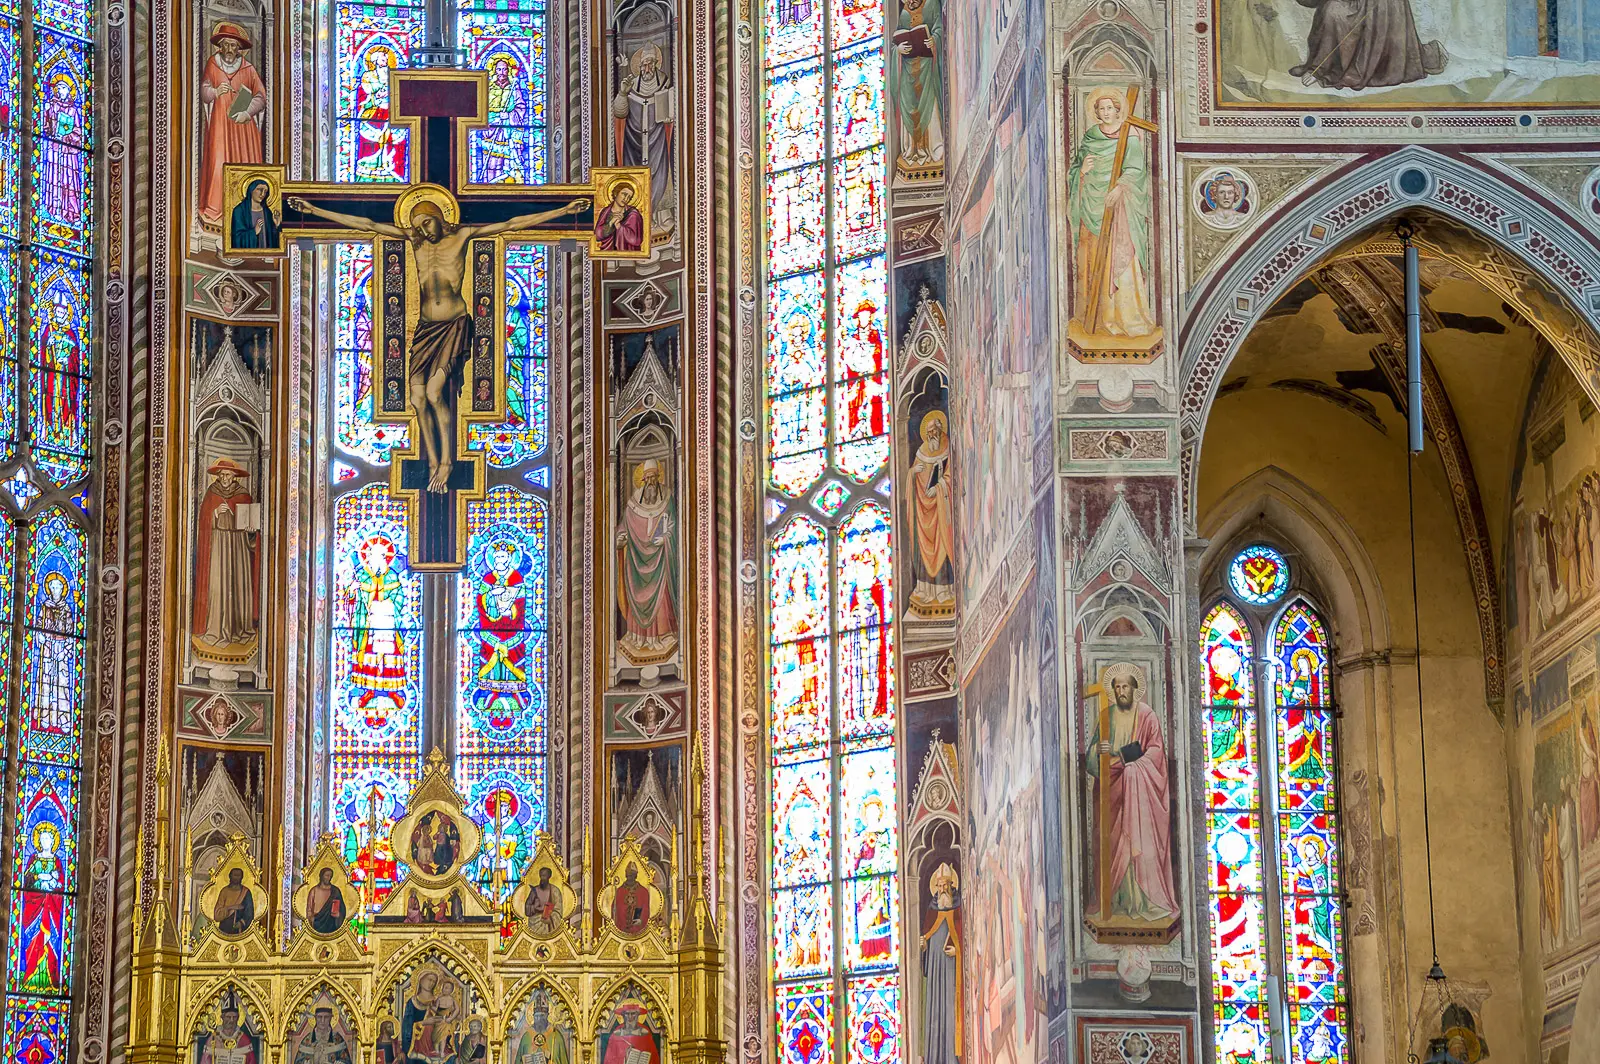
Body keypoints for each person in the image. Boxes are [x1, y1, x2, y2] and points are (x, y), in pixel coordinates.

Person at [286, 194, 588, 492]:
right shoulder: (414, 241)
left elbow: (511, 223)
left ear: (440, 218)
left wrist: (565, 209)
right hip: (426, 328)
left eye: (427, 223)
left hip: (454, 325)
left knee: (433, 393)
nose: (423, 231)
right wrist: (312, 209)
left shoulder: (463, 236)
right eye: (417, 226)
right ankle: (432, 461)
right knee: (417, 398)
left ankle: (445, 462)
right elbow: (365, 225)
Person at [1084, 663, 1178, 921]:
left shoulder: (1147, 715)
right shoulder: (1106, 716)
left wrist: (1128, 763)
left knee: (1138, 843)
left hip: (1140, 796)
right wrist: (1099, 753)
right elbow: (1092, 758)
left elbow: (1156, 751)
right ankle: (1118, 901)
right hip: (1112, 795)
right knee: (1114, 843)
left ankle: (1146, 900)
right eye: (1116, 687)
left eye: (1125, 686)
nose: (1120, 690)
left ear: (1135, 689)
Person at [1066, 91, 1156, 341]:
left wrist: (1119, 188)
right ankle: (1094, 318)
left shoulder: (1131, 135)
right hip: (1090, 206)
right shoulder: (1090, 137)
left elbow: (1135, 169)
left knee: (1120, 256)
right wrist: (1081, 172)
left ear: (1118, 110)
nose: (1105, 113)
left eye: (1109, 108)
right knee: (1093, 258)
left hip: (1119, 208)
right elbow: (1075, 169)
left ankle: (1122, 316)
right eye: (1100, 109)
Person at [1290, 0, 1445, 91]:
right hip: (1356, 4)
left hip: (1379, 10)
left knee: (1333, 12)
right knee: (1331, 10)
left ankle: (1321, 69)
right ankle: (1319, 66)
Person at [198, 23, 267, 225]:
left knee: (243, 163)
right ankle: (216, 208)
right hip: (220, 125)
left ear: (239, 49)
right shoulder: (213, 64)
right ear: (220, 46)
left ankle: (243, 207)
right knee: (219, 161)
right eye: (226, 45)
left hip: (243, 129)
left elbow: (261, 97)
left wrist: (247, 111)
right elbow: (203, 90)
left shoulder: (248, 68)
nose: (229, 50)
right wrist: (214, 91)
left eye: (233, 46)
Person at [193, 457, 260, 648]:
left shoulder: (243, 495)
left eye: (228, 475)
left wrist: (249, 530)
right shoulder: (211, 493)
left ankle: (239, 629)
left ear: (234, 477)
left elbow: (253, 525)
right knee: (217, 584)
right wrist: (214, 513)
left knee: (238, 584)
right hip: (218, 543)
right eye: (222, 475)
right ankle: (215, 628)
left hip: (238, 545)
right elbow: (203, 520)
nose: (224, 478)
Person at [616, 459, 678, 658]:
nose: (651, 482)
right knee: (636, 595)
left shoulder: (667, 499)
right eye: (648, 478)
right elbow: (624, 526)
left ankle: (663, 636)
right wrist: (620, 538)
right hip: (636, 561)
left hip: (660, 561)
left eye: (654, 477)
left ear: (659, 477)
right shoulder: (633, 504)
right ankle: (638, 637)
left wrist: (666, 538)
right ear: (642, 479)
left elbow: (673, 526)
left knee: (662, 599)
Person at [611, 45, 674, 227]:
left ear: (656, 63)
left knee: (661, 173)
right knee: (636, 176)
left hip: (658, 139)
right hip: (634, 141)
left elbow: (671, 110)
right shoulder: (631, 84)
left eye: (650, 63)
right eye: (644, 64)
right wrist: (623, 93)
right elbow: (619, 112)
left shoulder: (664, 82)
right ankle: (640, 216)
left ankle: (660, 214)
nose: (647, 68)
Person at [907, 409, 954, 613]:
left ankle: (944, 590)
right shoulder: (922, 452)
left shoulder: (948, 448)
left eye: (934, 431)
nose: (931, 435)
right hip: (922, 510)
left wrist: (941, 485)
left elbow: (952, 476)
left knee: (943, 543)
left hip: (941, 508)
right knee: (922, 547)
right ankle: (926, 590)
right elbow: (913, 478)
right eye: (928, 432)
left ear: (940, 429)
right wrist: (912, 474)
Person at [891, 0, 944, 170]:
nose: (909, 2)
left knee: (931, 104)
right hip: (908, 69)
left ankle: (934, 147)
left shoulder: (932, 4)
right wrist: (897, 50)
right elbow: (895, 41)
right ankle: (912, 150)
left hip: (927, 67)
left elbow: (940, 28)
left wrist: (934, 41)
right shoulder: (904, 12)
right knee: (909, 106)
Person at [920, 863, 961, 1064]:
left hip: (952, 974)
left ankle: (952, 1057)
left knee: (950, 1012)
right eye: (940, 885)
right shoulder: (931, 913)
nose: (943, 889)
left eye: (946, 885)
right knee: (936, 1009)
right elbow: (926, 938)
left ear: (952, 885)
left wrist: (957, 952)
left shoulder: (959, 911)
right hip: (936, 971)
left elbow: (963, 941)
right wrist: (924, 948)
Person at [510, 994, 569, 1064]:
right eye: (537, 1016)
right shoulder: (526, 1037)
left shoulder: (556, 1036)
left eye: (542, 1016)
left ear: (547, 1015)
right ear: (533, 1016)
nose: (539, 1019)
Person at [200, 998, 259, 1064]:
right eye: (228, 1017)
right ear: (222, 1017)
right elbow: (205, 1061)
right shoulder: (213, 1040)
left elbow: (251, 1061)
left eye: (234, 1017)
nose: (231, 1020)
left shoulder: (244, 1040)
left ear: (238, 1018)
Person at [595, 181, 644, 253]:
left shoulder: (633, 214)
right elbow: (597, 235)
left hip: (627, 253)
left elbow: (636, 240)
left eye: (629, 197)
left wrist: (619, 227)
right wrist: (610, 223)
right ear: (616, 193)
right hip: (607, 252)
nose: (626, 199)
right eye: (624, 194)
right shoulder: (606, 212)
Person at [214, 867, 256, 935]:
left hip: (240, 929)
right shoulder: (224, 891)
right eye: (234, 875)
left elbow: (249, 911)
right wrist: (231, 907)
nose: (236, 878)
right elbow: (217, 914)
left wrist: (242, 923)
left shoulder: (245, 892)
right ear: (230, 876)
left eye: (238, 876)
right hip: (225, 927)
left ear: (241, 877)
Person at [524, 867, 564, 934]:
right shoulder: (534, 891)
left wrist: (550, 918)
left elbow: (558, 910)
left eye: (544, 876)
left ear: (549, 876)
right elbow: (527, 907)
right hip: (535, 923)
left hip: (549, 923)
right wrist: (534, 907)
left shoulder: (555, 891)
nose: (542, 878)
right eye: (541, 876)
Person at [307, 867, 347, 935]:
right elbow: (309, 909)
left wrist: (339, 915)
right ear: (321, 876)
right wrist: (311, 919)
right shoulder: (314, 890)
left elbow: (342, 908)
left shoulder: (335, 891)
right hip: (317, 923)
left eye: (330, 876)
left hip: (331, 923)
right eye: (327, 875)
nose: (329, 878)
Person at [611, 865, 650, 934]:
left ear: (635, 876)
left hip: (637, 931)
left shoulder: (643, 891)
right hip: (621, 930)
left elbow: (645, 909)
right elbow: (615, 908)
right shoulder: (620, 891)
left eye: (632, 875)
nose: (629, 878)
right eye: (628, 875)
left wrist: (641, 920)